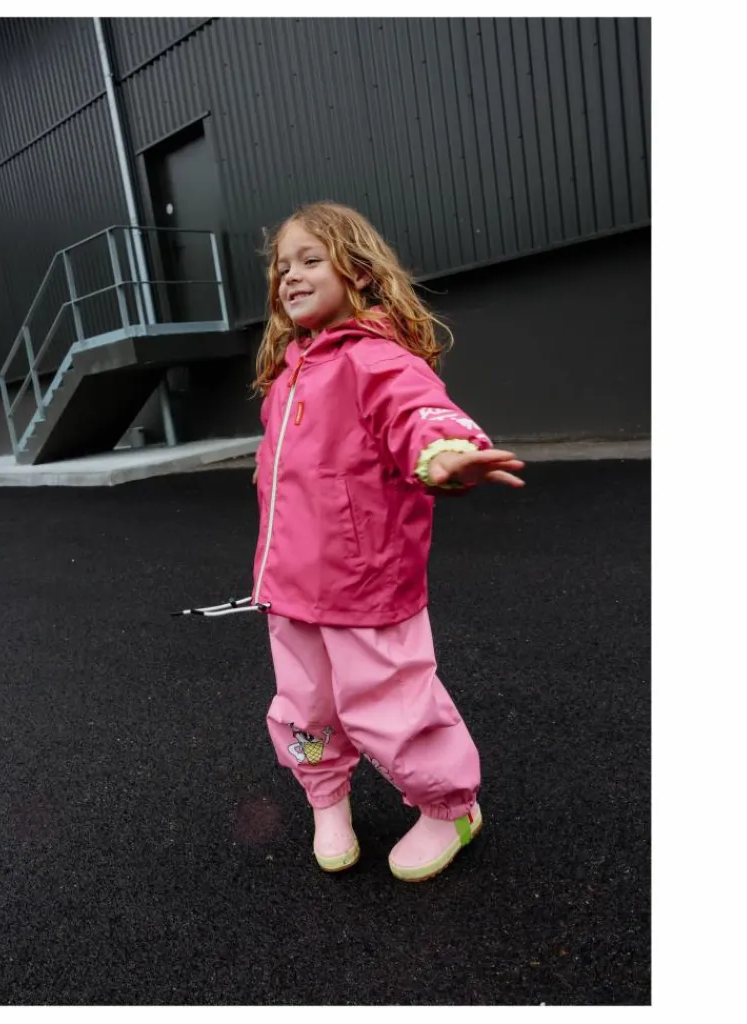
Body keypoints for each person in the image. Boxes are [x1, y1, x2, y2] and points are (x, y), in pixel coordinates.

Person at [183, 202, 525, 882]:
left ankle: (449, 807)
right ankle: (326, 797)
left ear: (360, 273)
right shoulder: (288, 377)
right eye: (283, 267)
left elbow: (419, 411)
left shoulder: (376, 360)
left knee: (394, 708)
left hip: (366, 585)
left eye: (310, 260)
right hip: (289, 589)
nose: (290, 275)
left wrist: (444, 452)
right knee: (305, 709)